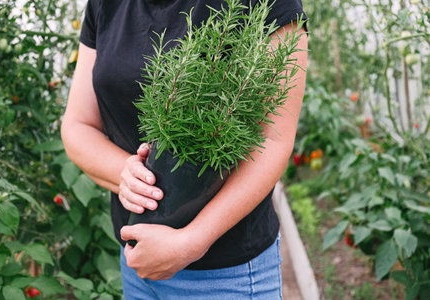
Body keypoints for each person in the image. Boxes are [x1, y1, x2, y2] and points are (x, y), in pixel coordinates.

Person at [61, 0, 307, 299]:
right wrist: (126, 174)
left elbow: (273, 140)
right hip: (137, 264)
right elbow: (78, 124)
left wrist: (192, 241)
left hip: (225, 277)